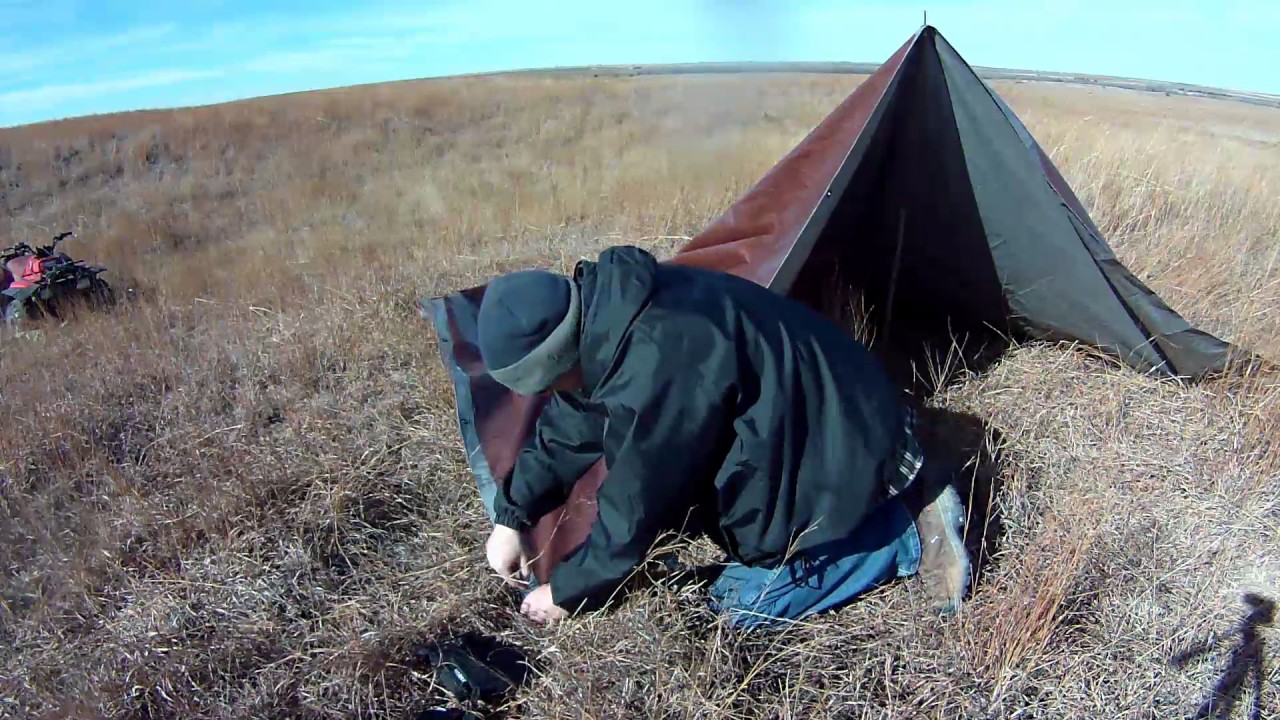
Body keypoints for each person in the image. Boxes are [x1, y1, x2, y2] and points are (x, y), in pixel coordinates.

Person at [477, 245, 971, 630]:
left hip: (852, 445)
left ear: (558, 358)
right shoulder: (611, 314)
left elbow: (637, 499)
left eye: (544, 384)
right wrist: (512, 514)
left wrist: (566, 593)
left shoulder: (655, 362)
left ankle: (902, 528)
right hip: (829, 421)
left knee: (736, 606)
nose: (548, 395)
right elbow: (571, 424)